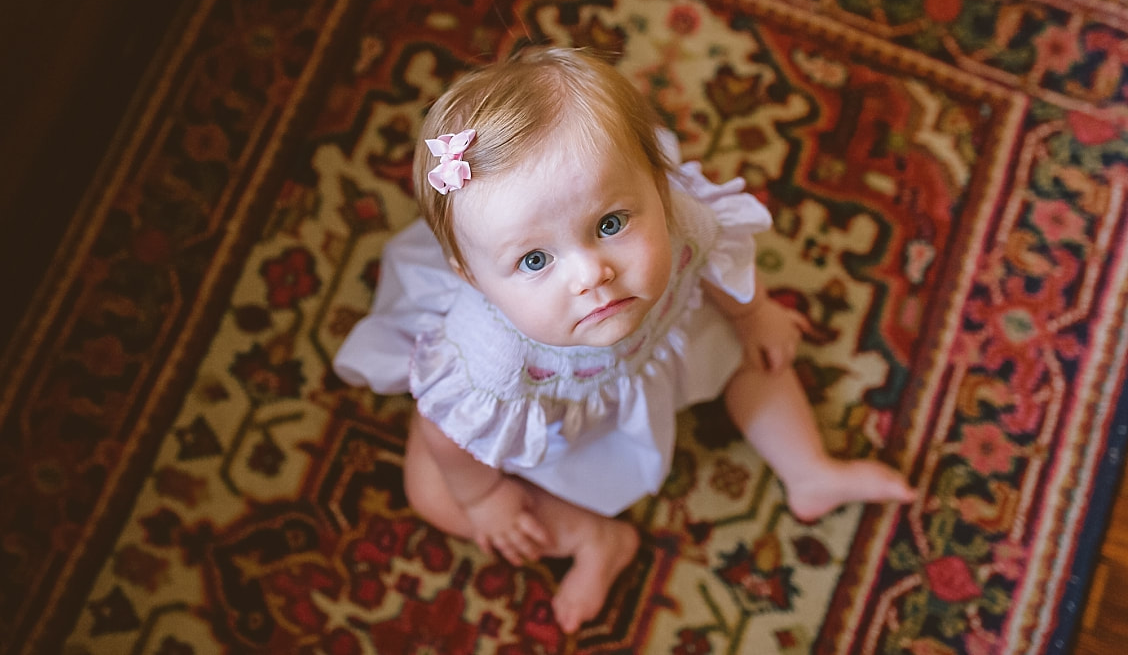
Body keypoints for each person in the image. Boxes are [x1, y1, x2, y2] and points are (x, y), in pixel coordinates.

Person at [333, 46, 915, 633]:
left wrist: (754, 315)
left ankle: (809, 469)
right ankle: (591, 537)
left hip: (664, 341)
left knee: (754, 352)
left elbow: (722, 263)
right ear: (473, 279)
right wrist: (485, 498)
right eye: (535, 259)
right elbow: (445, 430)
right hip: (547, 399)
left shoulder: (681, 222)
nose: (591, 274)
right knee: (435, 490)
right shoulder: (490, 358)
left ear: (659, 190)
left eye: (610, 224)